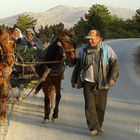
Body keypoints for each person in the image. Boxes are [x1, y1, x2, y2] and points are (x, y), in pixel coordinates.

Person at [71, 29, 119, 136]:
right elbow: (78, 67)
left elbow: (114, 65)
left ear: (99, 39)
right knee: (89, 106)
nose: (90, 41)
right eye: (88, 39)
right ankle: (93, 127)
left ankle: (98, 125)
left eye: (92, 39)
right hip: (88, 82)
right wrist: (74, 80)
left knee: (101, 107)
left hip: (103, 83)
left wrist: (112, 78)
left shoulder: (107, 50)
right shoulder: (83, 50)